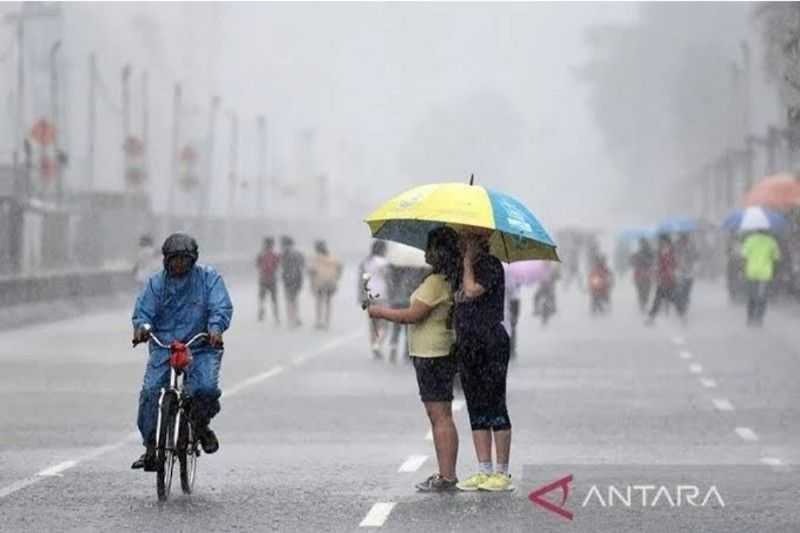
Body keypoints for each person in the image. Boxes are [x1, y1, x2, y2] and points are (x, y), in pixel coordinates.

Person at [368, 227, 461, 492]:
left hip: (432, 353)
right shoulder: (446, 279)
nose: (426, 252)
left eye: (430, 247)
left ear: (439, 252)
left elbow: (413, 315)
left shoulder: (436, 282)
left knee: (440, 415)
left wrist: (380, 312)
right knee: (440, 415)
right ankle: (446, 473)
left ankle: (447, 476)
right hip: (437, 351)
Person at [130, 233, 233, 471]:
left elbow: (221, 305)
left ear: (193, 259)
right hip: (164, 346)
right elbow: (143, 312)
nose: (179, 264)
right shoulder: (157, 284)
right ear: (166, 260)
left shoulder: (209, 279)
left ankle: (200, 425)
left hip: (201, 346)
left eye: (184, 259)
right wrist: (142, 328)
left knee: (205, 389)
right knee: (150, 393)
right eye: (174, 259)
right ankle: (151, 447)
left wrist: (216, 328)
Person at [454, 227, 514, 492]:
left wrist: (467, 264)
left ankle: (502, 472)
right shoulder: (462, 267)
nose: (465, 245)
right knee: (476, 406)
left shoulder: (491, 266)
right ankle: (483, 469)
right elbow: (456, 297)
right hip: (468, 344)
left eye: (469, 240)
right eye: (463, 240)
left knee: (495, 404)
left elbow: (470, 291)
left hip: (491, 342)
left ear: (483, 241)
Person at [741, 230, 781, 326]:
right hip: (765, 273)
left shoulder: (749, 240)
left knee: (751, 295)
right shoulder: (771, 241)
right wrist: (775, 272)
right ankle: (759, 318)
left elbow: (744, 256)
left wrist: (743, 269)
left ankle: (750, 317)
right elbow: (776, 258)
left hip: (751, 272)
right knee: (762, 296)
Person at [359, 240, 390, 356]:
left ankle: (373, 346)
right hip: (382, 294)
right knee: (383, 323)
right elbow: (388, 278)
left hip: (369, 294)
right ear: (383, 250)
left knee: (373, 324)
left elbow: (363, 279)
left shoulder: (367, 262)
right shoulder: (384, 262)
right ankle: (378, 344)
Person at [308, 240, 343, 330]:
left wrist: (311, 284)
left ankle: (319, 321)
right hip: (331, 282)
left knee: (319, 302)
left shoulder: (315, 258)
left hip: (319, 282)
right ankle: (327, 322)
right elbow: (340, 267)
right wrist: (337, 277)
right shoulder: (333, 257)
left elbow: (311, 271)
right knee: (328, 302)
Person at [645, 235, 678, 325]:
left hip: (670, 280)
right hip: (662, 280)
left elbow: (674, 265)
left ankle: (682, 315)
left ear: (667, 242)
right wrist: (655, 272)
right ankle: (651, 318)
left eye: (662, 242)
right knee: (658, 299)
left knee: (673, 299)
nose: (661, 243)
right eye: (660, 242)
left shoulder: (671, 253)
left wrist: (669, 271)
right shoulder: (660, 252)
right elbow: (658, 265)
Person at [280, 236, 305, 328]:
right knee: (294, 299)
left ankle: (291, 319)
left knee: (289, 300)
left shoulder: (284, 254)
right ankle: (296, 317)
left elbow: (282, 267)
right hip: (298, 279)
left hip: (289, 279)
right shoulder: (299, 253)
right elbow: (303, 265)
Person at [256, 237, 281, 325]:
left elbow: (257, 265)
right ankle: (276, 316)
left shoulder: (261, 255)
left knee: (262, 297)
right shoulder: (275, 255)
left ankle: (261, 310)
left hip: (263, 279)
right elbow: (277, 265)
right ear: (272, 245)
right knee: (274, 299)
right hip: (272, 279)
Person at [674, 234, 699, 319]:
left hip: (688, 273)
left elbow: (696, 257)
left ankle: (684, 306)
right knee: (679, 292)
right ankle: (680, 308)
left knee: (686, 292)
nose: (684, 241)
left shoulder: (691, 247)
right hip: (679, 273)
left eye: (685, 240)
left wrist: (693, 264)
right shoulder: (676, 247)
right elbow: (672, 259)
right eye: (683, 240)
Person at [630, 238, 655, 313]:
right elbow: (632, 263)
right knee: (641, 291)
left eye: (643, 243)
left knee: (645, 291)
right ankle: (642, 304)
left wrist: (644, 260)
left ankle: (643, 303)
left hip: (646, 275)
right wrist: (633, 258)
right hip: (640, 276)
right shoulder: (638, 253)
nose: (642, 245)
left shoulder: (649, 253)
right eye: (641, 243)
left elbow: (652, 262)